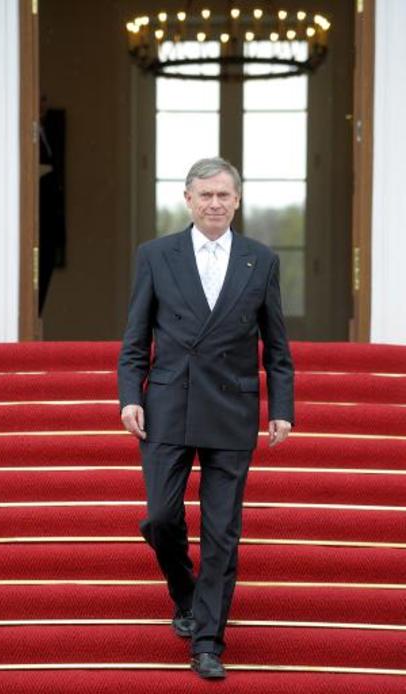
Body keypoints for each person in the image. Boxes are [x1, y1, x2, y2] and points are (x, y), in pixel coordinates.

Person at [118, 157, 294, 680]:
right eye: (205, 195)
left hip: (231, 406)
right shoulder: (155, 255)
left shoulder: (260, 260)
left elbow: (277, 345)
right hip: (167, 406)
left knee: (222, 532)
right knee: (160, 518)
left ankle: (208, 641)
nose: (215, 204)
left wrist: (280, 407)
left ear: (237, 201)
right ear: (188, 200)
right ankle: (186, 593)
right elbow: (135, 340)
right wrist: (130, 396)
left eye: (224, 195)